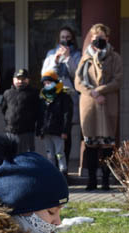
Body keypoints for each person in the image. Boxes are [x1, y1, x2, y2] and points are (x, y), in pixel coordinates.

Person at [75, 23, 123, 191]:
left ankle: (106, 180)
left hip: (107, 102)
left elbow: (118, 80)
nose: (98, 40)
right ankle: (92, 179)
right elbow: (78, 81)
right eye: (95, 38)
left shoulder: (115, 57)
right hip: (89, 105)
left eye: (101, 37)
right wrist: (92, 93)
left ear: (107, 38)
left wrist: (100, 90)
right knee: (91, 144)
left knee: (107, 146)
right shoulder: (85, 57)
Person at [41, 26, 81, 169]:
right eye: (62, 37)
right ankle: (55, 168)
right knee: (54, 134)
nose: (65, 40)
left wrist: (69, 58)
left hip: (69, 97)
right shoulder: (51, 54)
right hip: (53, 99)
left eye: (68, 37)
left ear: (72, 39)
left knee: (66, 133)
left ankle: (65, 169)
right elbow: (45, 74)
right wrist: (56, 60)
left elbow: (77, 75)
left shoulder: (77, 54)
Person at [37, 71, 73, 175]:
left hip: (58, 131)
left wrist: (65, 131)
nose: (46, 85)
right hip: (46, 131)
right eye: (45, 83)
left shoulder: (63, 96)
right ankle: (51, 172)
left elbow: (67, 115)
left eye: (49, 82)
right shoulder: (43, 97)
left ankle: (63, 171)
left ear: (55, 82)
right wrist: (40, 131)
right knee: (50, 154)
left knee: (60, 153)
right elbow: (40, 115)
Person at [1, 69, 41, 153]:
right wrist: (9, 121)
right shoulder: (7, 93)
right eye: (18, 78)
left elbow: (38, 111)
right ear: (13, 79)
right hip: (11, 131)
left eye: (23, 79)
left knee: (28, 156)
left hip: (27, 131)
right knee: (11, 154)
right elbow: (4, 109)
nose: (20, 81)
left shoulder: (34, 93)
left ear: (28, 80)